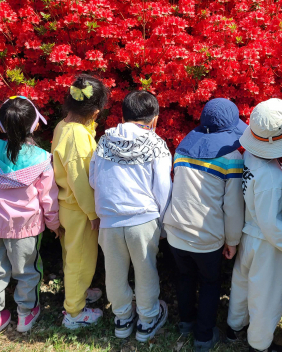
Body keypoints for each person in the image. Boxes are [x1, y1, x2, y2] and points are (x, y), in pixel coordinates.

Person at [226, 98, 282, 352]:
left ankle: (235, 325)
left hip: (247, 234)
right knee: (267, 294)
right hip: (267, 242)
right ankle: (259, 343)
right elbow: (270, 222)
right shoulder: (272, 177)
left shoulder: (250, 157)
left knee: (242, 283)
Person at [163, 98, 246, 352]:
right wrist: (232, 241)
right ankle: (203, 337)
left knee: (185, 277)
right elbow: (233, 207)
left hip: (176, 231)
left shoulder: (183, 147)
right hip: (207, 236)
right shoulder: (231, 158)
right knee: (210, 283)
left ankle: (186, 323)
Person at [89, 90, 172, 342]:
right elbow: (163, 188)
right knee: (146, 271)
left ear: (123, 115)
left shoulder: (104, 142)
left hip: (110, 220)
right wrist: (163, 222)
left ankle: (122, 319)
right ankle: (147, 321)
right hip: (143, 219)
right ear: (154, 119)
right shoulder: (156, 144)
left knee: (114, 272)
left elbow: (94, 179)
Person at [0, 96, 61, 342]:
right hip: (27, 226)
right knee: (27, 271)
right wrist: (54, 224)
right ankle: (26, 313)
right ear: (35, 125)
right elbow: (48, 198)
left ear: (0, 125)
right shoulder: (42, 159)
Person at [52, 74, 110, 329]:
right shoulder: (76, 135)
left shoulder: (65, 125)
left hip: (68, 206)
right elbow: (80, 181)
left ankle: (78, 292)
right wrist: (93, 214)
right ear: (95, 111)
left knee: (72, 256)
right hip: (80, 209)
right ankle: (74, 312)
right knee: (82, 259)